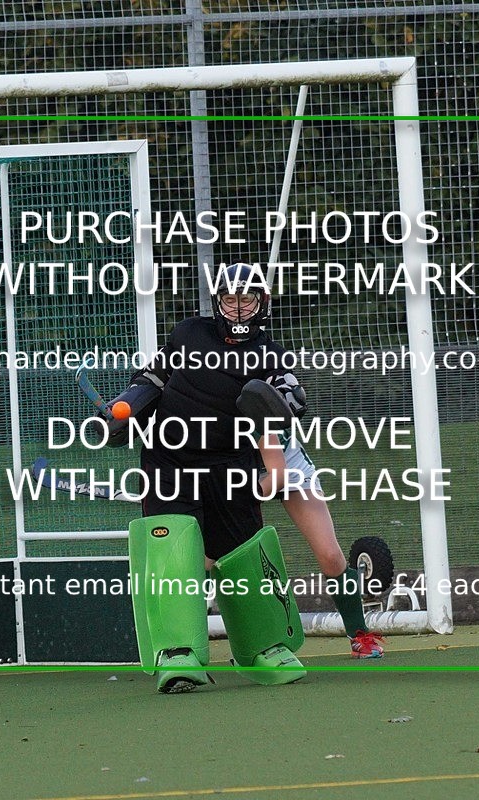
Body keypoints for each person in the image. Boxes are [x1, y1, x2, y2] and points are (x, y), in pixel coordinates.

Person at [97, 263, 309, 693]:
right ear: (217, 303)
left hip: (233, 464)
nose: (236, 309)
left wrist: (279, 404)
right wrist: (123, 410)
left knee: (242, 554)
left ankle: (264, 647)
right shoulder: (188, 334)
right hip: (169, 460)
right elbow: (152, 380)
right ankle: (179, 654)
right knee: (172, 547)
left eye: (246, 300)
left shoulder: (271, 354)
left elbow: (292, 396)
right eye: (228, 300)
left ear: (261, 304)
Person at [257, 433, 385, 658]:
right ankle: (188, 645)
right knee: (209, 559)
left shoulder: (255, 404)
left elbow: (279, 472)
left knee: (330, 555)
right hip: (233, 468)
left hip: (287, 464)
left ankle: (359, 634)